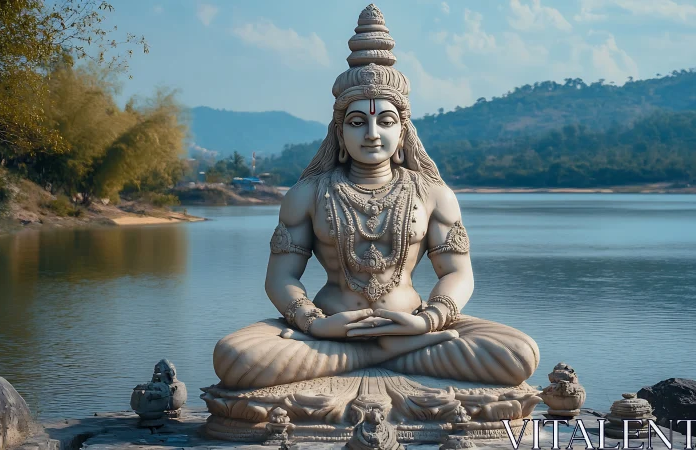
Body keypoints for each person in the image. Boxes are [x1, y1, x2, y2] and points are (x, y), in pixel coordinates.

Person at [212, 4, 538, 391]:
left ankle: (363, 355)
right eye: (357, 122)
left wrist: (429, 320)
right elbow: (281, 277)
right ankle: (386, 354)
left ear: (403, 131)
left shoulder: (433, 194)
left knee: (518, 354)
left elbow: (457, 273)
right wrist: (312, 322)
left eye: (385, 121)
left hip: (412, 325)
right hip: (328, 329)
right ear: (340, 132)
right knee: (236, 357)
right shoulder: (308, 194)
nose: (371, 134)